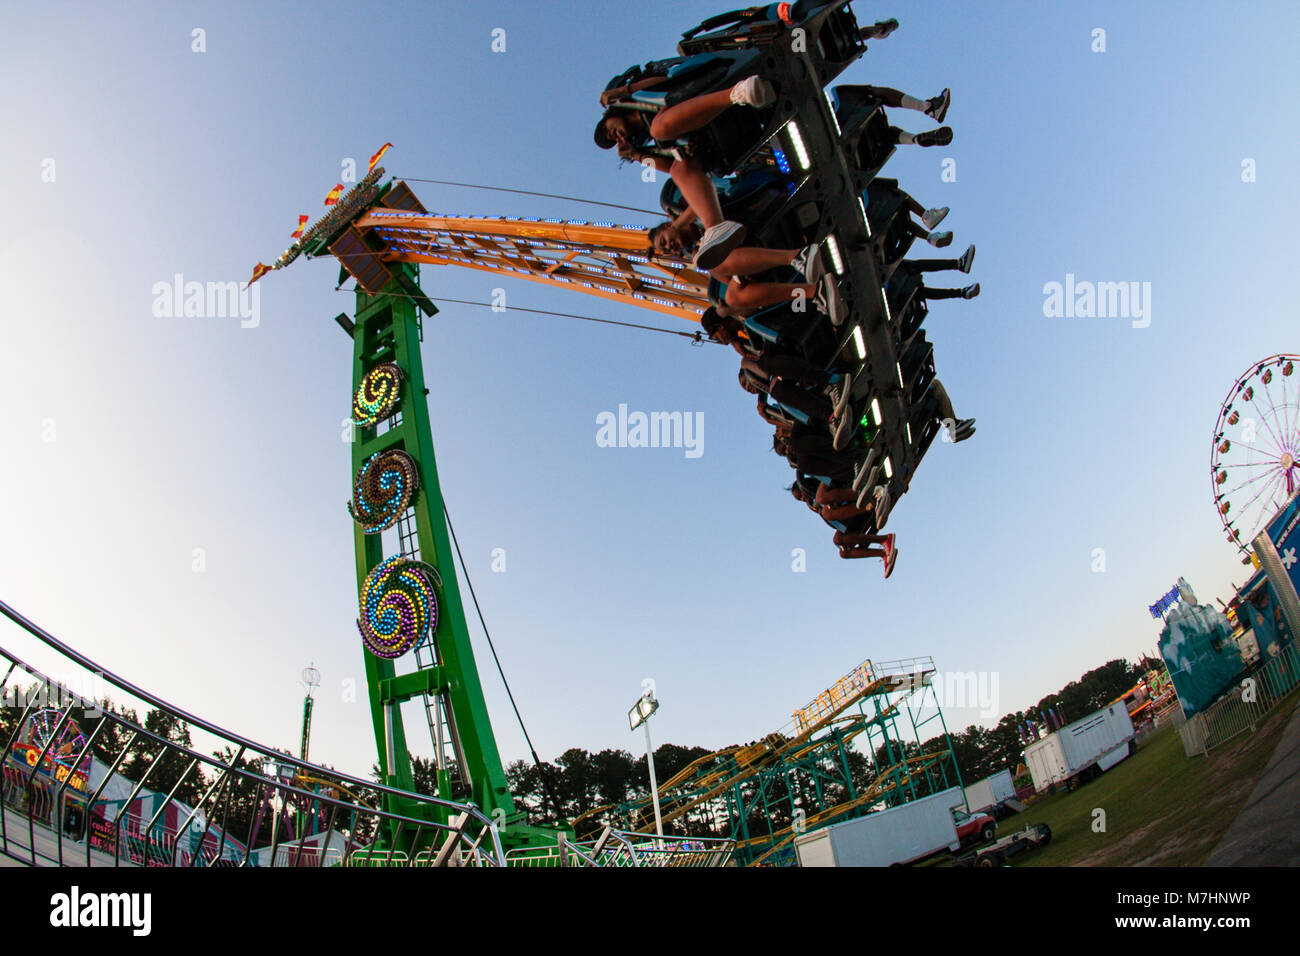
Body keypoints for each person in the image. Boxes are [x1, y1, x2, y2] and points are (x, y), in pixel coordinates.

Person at [596, 74, 779, 269]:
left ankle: (736, 93)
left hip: (693, 91)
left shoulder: (635, 100)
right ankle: (716, 228)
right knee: (679, 169)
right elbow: (672, 167)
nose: (614, 137)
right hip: (713, 142)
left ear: (610, 116)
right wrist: (637, 156)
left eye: (608, 131)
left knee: (659, 129)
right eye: (612, 141)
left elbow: (665, 80)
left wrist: (623, 91)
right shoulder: (650, 144)